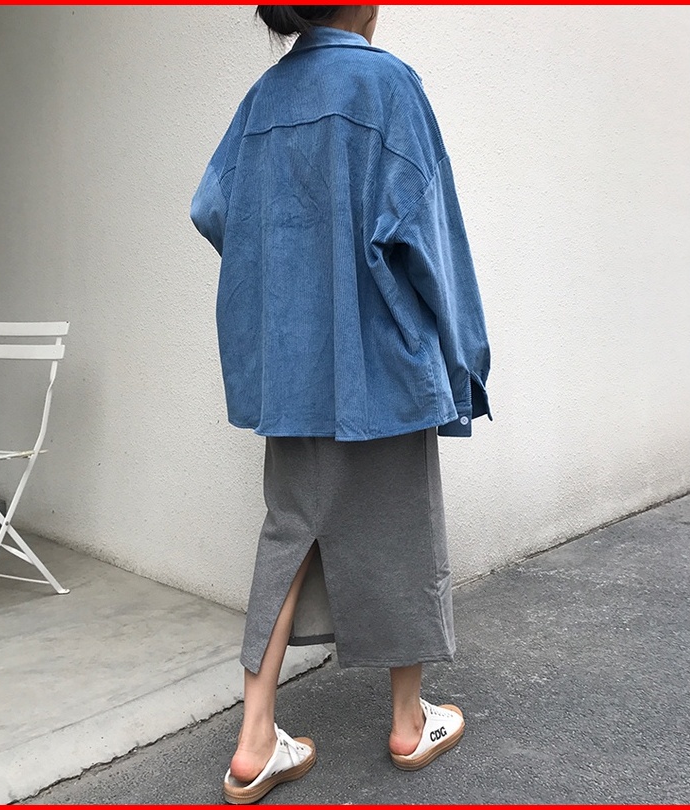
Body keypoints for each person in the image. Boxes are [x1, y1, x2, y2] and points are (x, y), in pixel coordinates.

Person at [191, 5, 491, 804]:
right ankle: (408, 721)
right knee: (400, 522)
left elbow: (211, 208)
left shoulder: (263, 98)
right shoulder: (387, 85)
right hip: (379, 358)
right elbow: (429, 234)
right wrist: (463, 353)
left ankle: (257, 737)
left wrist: (288, 270)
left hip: (290, 362)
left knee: (289, 530)